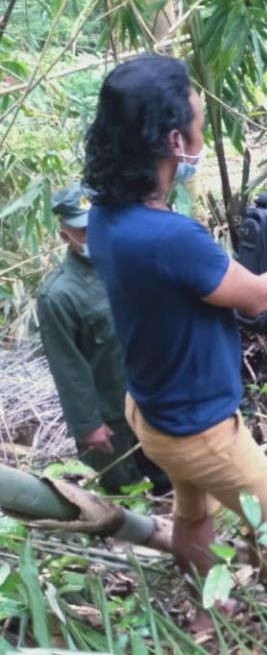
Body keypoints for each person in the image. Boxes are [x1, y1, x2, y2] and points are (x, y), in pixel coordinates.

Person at [83, 54, 267, 633]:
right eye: (197, 116)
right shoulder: (171, 236)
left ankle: (204, 614)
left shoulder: (105, 216)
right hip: (201, 426)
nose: (201, 127)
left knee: (192, 515)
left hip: (151, 411)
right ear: (174, 139)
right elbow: (255, 297)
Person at [37, 184, 168, 494]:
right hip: (111, 418)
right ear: (65, 237)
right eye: (84, 230)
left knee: (172, 484)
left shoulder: (129, 264)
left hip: (154, 402)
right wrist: (87, 426)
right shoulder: (58, 295)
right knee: (121, 496)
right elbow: (68, 367)